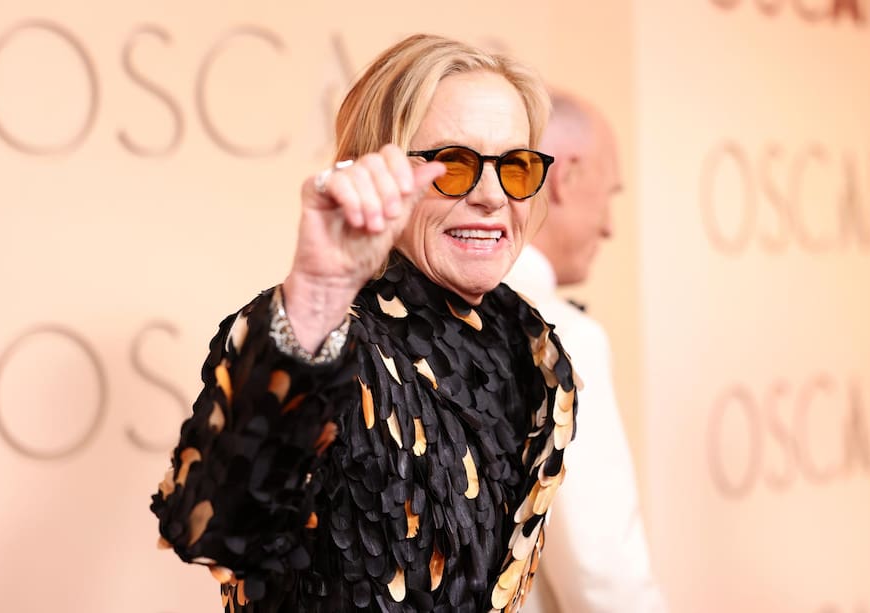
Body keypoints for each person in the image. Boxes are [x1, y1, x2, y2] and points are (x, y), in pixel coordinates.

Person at [150, 34, 581, 613]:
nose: (492, 196)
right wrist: (317, 296)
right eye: (454, 165)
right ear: (376, 173)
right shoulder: (317, 332)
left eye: (516, 167)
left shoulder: (531, 351)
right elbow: (218, 530)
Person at [505, 91, 667, 613]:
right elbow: (604, 578)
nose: (610, 226)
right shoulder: (560, 339)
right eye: (609, 193)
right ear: (567, 177)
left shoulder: (417, 322)